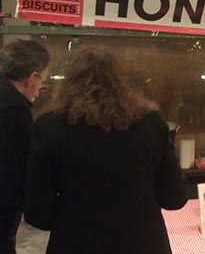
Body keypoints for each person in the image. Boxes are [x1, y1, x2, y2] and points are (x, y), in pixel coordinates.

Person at [24, 48, 188, 254]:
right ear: (120, 80)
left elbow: (38, 214)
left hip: (76, 244)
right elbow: (174, 199)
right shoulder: (151, 123)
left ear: (68, 83)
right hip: (143, 243)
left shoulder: (48, 127)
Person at [0, 40, 50, 254]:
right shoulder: (15, 110)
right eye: (43, 82)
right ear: (33, 78)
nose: (40, 89)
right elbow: (13, 173)